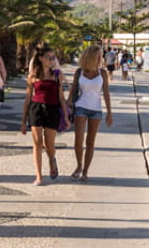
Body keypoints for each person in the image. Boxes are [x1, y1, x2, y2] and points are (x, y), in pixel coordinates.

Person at [21, 44, 68, 185]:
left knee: (49, 145)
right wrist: (23, 121)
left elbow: (61, 98)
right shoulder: (33, 76)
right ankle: (39, 176)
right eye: (49, 58)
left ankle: (52, 159)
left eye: (53, 58)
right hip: (36, 109)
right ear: (41, 58)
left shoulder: (57, 75)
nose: (52, 60)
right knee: (37, 143)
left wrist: (65, 116)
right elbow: (28, 99)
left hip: (52, 110)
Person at [68, 44, 112, 180]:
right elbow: (73, 89)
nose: (101, 58)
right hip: (81, 106)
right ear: (91, 57)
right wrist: (68, 105)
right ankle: (79, 165)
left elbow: (106, 92)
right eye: (98, 56)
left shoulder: (102, 73)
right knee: (78, 139)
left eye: (101, 56)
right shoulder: (79, 72)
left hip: (96, 110)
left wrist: (109, 112)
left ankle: (86, 171)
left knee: (90, 142)